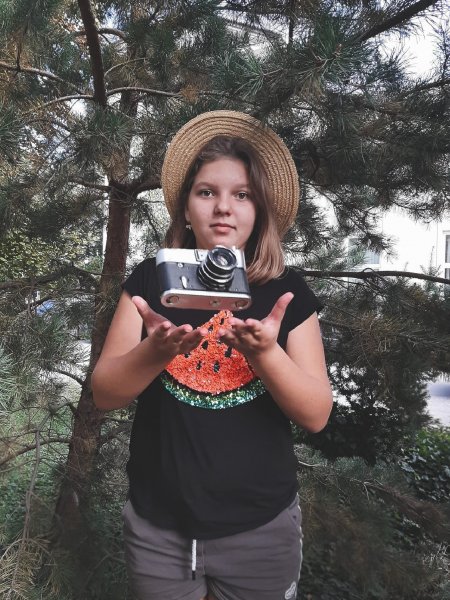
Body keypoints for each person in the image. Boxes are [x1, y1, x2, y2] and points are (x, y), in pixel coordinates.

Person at [92, 110, 333, 600]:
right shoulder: (149, 280)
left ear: (259, 210)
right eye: (206, 192)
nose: (224, 207)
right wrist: (154, 352)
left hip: (261, 530)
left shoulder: (285, 291)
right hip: (159, 530)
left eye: (242, 195)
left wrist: (266, 354)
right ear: (185, 207)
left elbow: (316, 414)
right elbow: (105, 394)